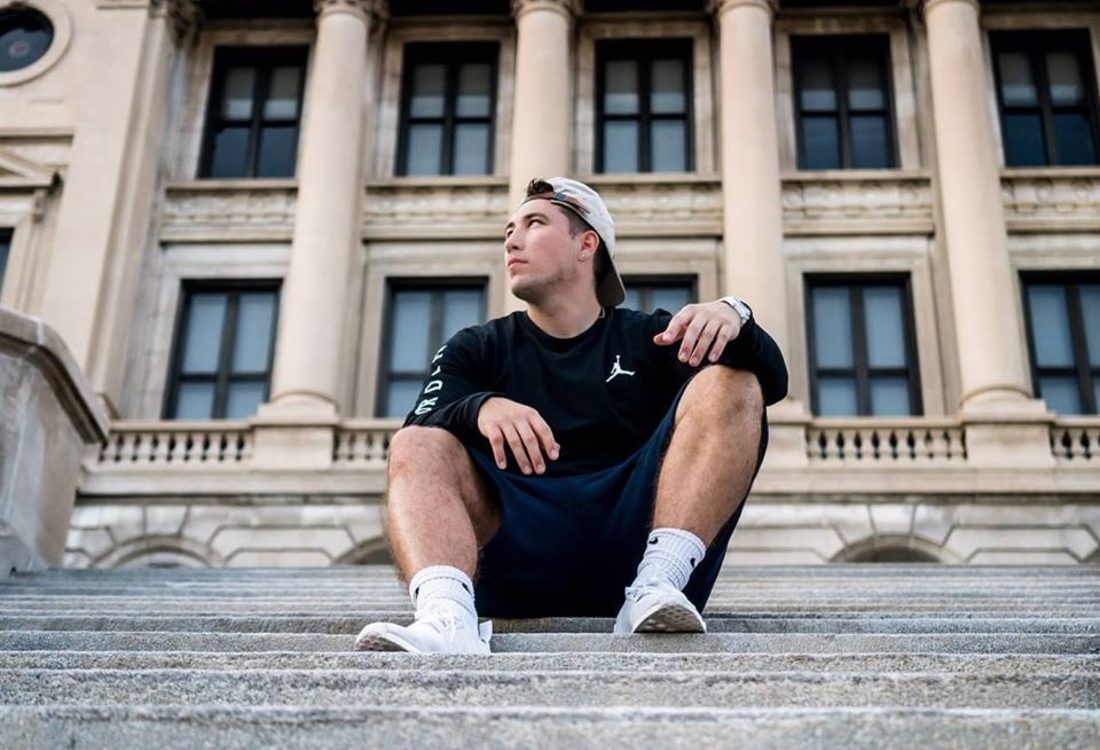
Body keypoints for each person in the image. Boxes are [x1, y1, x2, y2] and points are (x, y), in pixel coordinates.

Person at [355, 177, 788, 654]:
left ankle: (658, 583)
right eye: (509, 231)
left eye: (534, 223)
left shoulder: (651, 337)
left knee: (733, 379)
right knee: (417, 440)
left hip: (639, 555)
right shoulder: (476, 347)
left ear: (586, 245)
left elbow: (773, 381)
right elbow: (422, 424)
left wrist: (735, 315)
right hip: (513, 558)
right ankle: (447, 618)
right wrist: (480, 406)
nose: (512, 241)